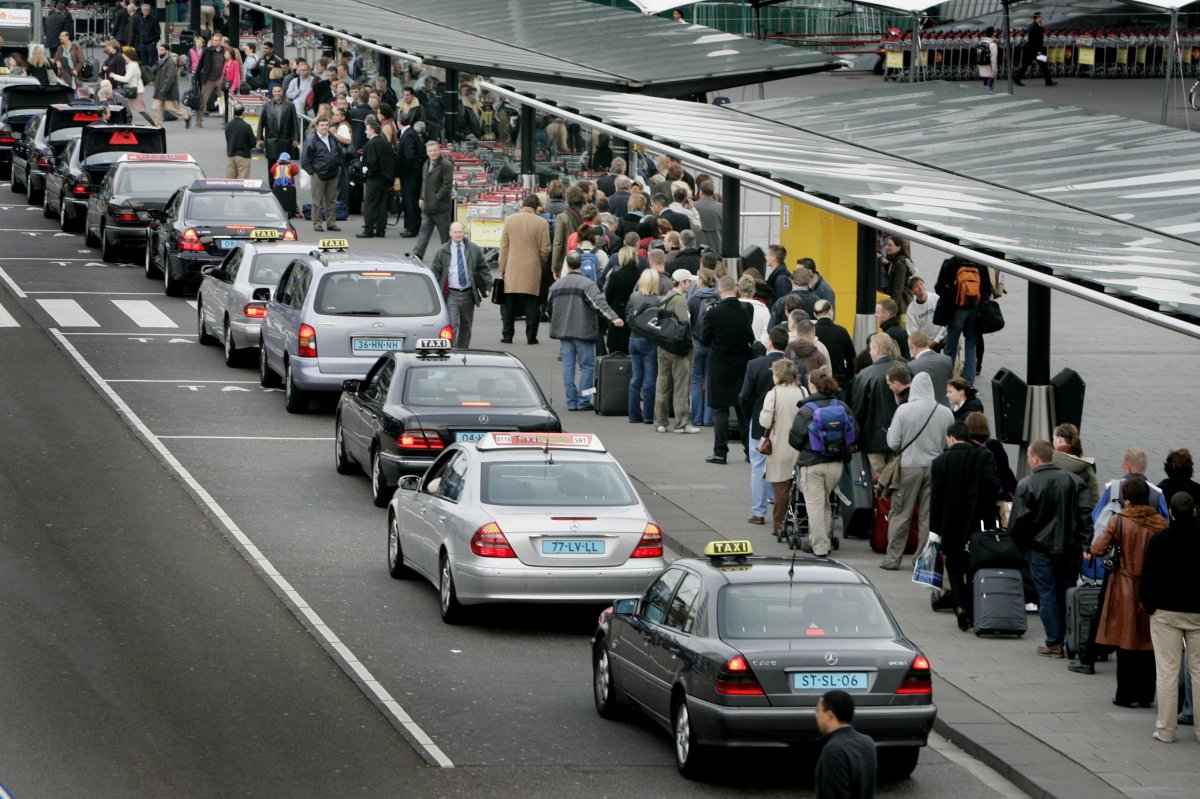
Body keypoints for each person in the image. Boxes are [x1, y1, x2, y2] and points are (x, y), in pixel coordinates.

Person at [1087, 477, 1167, 707]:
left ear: (1126, 498)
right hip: (1152, 588)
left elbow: (1098, 548)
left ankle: (1125, 694)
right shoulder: (1160, 523)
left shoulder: (1119, 521)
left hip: (1124, 587)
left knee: (1125, 641)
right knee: (1149, 641)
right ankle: (1145, 695)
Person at [1009, 440, 1093, 658]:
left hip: (1040, 548)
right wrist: (1085, 543)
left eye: (1028, 457)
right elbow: (1085, 514)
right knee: (1065, 591)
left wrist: (1022, 547)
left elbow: (1018, 523)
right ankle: (1070, 637)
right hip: (1069, 548)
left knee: (1046, 594)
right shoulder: (1074, 481)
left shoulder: (1027, 485)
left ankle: (1054, 641)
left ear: (1035, 459)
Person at [1140, 492, 1200, 743]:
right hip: (1197, 612)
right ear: (1194, 511)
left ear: (1171, 513)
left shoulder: (1159, 541)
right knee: (1198, 671)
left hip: (1165, 612)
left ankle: (1165, 729)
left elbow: (1148, 579)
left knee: (1167, 671)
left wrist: (1150, 606)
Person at [882, 372, 954, 570]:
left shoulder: (904, 410)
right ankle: (922, 560)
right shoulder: (945, 412)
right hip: (935, 468)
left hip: (908, 467)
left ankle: (892, 558)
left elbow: (893, 442)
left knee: (900, 514)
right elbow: (949, 443)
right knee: (927, 517)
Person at [931, 421, 999, 630]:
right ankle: (973, 608)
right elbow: (992, 486)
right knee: (973, 565)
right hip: (977, 523)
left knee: (953, 565)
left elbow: (936, 498)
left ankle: (959, 606)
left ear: (951, 438)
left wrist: (935, 529)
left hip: (950, 524)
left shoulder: (941, 461)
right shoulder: (983, 456)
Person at [790, 370, 857, 557]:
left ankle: (819, 547)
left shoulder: (806, 410)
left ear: (812, 386)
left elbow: (794, 439)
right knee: (825, 503)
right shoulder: (842, 406)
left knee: (814, 505)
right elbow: (854, 433)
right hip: (836, 465)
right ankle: (823, 539)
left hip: (812, 464)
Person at [548, 251, 624, 412]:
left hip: (563, 331)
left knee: (567, 366)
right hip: (583, 330)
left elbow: (549, 308)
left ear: (567, 265)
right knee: (587, 366)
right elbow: (599, 304)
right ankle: (584, 399)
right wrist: (614, 318)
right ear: (580, 265)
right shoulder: (587, 284)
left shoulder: (556, 286)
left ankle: (571, 401)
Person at [702, 276, 755, 464]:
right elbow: (751, 336)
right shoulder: (746, 310)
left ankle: (720, 452)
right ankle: (750, 451)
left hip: (719, 367)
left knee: (720, 411)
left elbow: (704, 339)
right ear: (736, 289)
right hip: (742, 366)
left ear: (719, 290)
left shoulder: (713, 313)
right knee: (742, 411)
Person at [741, 326, 790, 526]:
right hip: (786, 426)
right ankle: (777, 501)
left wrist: (749, 415)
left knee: (758, 465)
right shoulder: (795, 366)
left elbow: (745, 396)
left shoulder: (755, 365)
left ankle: (758, 512)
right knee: (785, 466)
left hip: (761, 423)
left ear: (770, 342)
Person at [759, 359, 808, 537]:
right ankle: (800, 522)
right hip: (800, 446)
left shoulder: (774, 394)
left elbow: (764, 421)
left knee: (781, 488)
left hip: (779, 445)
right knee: (801, 487)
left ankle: (779, 524)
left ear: (778, 375)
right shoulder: (803, 391)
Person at [933, 256, 993, 387]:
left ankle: (947, 380)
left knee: (951, 346)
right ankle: (968, 382)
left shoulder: (950, 263)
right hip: (975, 310)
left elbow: (939, 288)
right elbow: (988, 289)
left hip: (956, 310)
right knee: (971, 346)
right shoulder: (980, 263)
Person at [499, 195, 551, 345]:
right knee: (532, 303)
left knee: (509, 303)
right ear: (536, 207)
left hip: (512, 266)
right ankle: (531, 336)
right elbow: (545, 248)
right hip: (532, 266)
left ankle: (507, 335)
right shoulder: (542, 223)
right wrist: (539, 261)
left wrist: (503, 267)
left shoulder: (510, 220)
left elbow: (504, 247)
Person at [850, 333, 905, 476]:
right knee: (898, 477)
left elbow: (858, 408)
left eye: (870, 348)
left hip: (872, 437)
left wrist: (854, 437)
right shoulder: (905, 369)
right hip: (902, 435)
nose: (869, 352)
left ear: (877, 349)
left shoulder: (864, 375)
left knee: (879, 480)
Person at [430, 222, 491, 349]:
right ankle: (452, 350)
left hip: (469, 293)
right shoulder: (442, 251)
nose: (458, 234)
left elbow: (483, 268)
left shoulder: (473, 249)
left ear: (464, 233)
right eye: (455, 232)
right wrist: (433, 293)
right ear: (450, 233)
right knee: (453, 324)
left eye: (460, 232)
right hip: (451, 293)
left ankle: (463, 350)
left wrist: (487, 286)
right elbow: (435, 272)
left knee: (466, 325)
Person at [1093, 449, 1170, 542]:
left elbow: (1096, 516)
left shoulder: (1112, 488)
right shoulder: (1157, 493)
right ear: (1144, 468)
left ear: (1127, 467)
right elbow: (1165, 523)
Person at [653, 270, 697, 433]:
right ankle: (682, 423)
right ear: (682, 282)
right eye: (688, 281)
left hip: (663, 344)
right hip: (678, 347)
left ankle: (660, 421)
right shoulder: (678, 300)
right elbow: (685, 324)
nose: (690, 284)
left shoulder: (664, 298)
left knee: (663, 382)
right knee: (681, 385)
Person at [814, 690, 877, 799]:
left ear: (830, 715)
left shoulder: (833, 750)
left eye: (818, 710)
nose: (816, 715)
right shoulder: (867, 742)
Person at [624, 269, 661, 425]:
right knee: (650, 380)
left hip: (633, 339)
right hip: (649, 341)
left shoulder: (633, 297)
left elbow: (627, 315)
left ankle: (633, 414)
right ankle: (648, 415)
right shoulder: (658, 300)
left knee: (636, 379)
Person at [687, 268, 719, 427]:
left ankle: (697, 418)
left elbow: (689, 321)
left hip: (697, 342)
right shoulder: (718, 297)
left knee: (695, 380)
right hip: (713, 344)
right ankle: (709, 419)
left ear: (701, 280)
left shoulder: (693, 299)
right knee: (709, 380)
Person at [412, 140, 453, 261]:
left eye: (435, 150)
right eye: (430, 151)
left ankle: (448, 256)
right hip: (428, 206)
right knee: (424, 231)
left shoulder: (446, 165)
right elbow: (425, 183)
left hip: (441, 208)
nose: (433, 153)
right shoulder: (426, 164)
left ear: (439, 150)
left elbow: (447, 185)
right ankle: (417, 254)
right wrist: (421, 197)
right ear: (427, 152)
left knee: (444, 235)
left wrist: (437, 198)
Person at [300, 116, 343, 233]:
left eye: (326, 125)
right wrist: (313, 172)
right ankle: (317, 223)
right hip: (318, 175)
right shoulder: (311, 140)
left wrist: (338, 166)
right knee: (317, 201)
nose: (324, 127)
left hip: (333, 173)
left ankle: (331, 223)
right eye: (322, 125)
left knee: (331, 200)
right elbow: (304, 160)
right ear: (317, 126)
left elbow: (339, 152)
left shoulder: (332, 138)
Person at [355, 117, 395, 239]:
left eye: (366, 129)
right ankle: (380, 230)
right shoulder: (386, 143)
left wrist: (366, 171)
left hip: (375, 179)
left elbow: (372, 163)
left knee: (369, 204)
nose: (365, 132)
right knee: (382, 205)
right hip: (386, 179)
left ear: (372, 130)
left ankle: (368, 229)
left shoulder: (371, 144)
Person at [1050, 423, 1099, 506]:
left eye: (1053, 438)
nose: (1053, 442)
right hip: (1077, 516)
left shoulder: (1047, 461)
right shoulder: (1085, 466)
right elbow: (1094, 498)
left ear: (1059, 439)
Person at [813, 300, 855, 391]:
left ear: (815, 314)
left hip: (817, 383)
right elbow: (851, 359)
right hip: (838, 382)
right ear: (830, 312)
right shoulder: (841, 331)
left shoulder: (812, 332)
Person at [395, 111, 423, 237]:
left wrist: (403, 170)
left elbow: (409, 156)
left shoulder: (407, 136)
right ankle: (414, 225)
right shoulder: (411, 133)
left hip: (409, 175)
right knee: (412, 200)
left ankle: (411, 227)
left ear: (398, 122)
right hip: (413, 173)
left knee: (409, 200)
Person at [109, 49, 155, 126]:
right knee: (127, 107)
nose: (124, 58)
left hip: (135, 91)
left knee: (141, 111)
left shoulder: (131, 66)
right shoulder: (134, 64)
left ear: (128, 57)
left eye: (125, 56)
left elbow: (126, 79)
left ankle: (154, 124)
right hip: (137, 90)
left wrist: (114, 76)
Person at [907, 331, 952, 407]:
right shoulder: (947, 360)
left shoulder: (911, 366)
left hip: (925, 411)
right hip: (945, 408)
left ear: (913, 347)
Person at [1014, 12, 1057, 87]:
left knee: (1028, 65)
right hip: (1036, 50)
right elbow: (1037, 40)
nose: (1042, 18)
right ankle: (1048, 81)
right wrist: (1039, 50)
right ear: (1037, 17)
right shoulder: (1036, 27)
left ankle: (1017, 78)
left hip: (1032, 49)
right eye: (1041, 17)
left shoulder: (1034, 25)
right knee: (1043, 65)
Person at [150, 44, 188, 127]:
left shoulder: (170, 62)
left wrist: (164, 89)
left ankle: (186, 116)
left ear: (168, 51)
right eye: (160, 50)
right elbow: (156, 72)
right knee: (156, 107)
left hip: (167, 90)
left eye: (162, 50)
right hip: (160, 89)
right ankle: (158, 125)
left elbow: (170, 78)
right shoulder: (161, 61)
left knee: (171, 108)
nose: (160, 51)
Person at [194, 36, 226, 128]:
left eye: (216, 40)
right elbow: (200, 64)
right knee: (202, 101)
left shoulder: (224, 51)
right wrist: (196, 77)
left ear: (220, 42)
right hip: (208, 80)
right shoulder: (207, 51)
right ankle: (198, 121)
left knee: (223, 102)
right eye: (213, 40)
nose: (214, 42)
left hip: (220, 80)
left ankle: (225, 121)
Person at [906, 276, 945, 347]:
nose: (920, 287)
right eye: (916, 286)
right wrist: (924, 343)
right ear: (912, 292)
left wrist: (936, 340)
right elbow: (913, 332)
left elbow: (946, 323)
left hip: (941, 336)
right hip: (925, 342)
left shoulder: (936, 299)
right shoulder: (911, 309)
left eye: (921, 284)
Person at [223, 104, 256, 178]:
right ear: (243, 112)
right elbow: (253, 143)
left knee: (230, 182)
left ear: (234, 112)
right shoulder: (246, 126)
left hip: (231, 156)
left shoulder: (228, 125)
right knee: (242, 182)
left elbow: (227, 138)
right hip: (243, 156)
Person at [694, 180, 723, 255]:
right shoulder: (721, 207)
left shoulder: (694, 207)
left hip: (698, 246)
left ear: (700, 192)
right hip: (716, 247)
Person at [269, 152, 299, 218]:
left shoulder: (275, 165)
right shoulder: (291, 166)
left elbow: (272, 171)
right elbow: (296, 171)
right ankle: (296, 211)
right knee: (292, 199)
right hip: (289, 186)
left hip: (277, 187)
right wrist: (290, 164)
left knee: (277, 198)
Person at [135, 3, 159, 69]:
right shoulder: (139, 19)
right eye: (144, 10)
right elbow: (137, 30)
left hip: (150, 44)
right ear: (142, 10)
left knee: (152, 62)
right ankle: (146, 76)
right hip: (142, 43)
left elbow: (157, 32)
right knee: (143, 62)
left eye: (147, 10)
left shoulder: (154, 19)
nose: (146, 11)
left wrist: (154, 41)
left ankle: (153, 76)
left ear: (150, 10)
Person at [978, 26, 1000, 91]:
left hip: (982, 68)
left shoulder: (980, 43)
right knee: (989, 89)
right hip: (990, 70)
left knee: (986, 87)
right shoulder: (993, 45)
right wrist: (994, 71)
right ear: (993, 33)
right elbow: (993, 60)